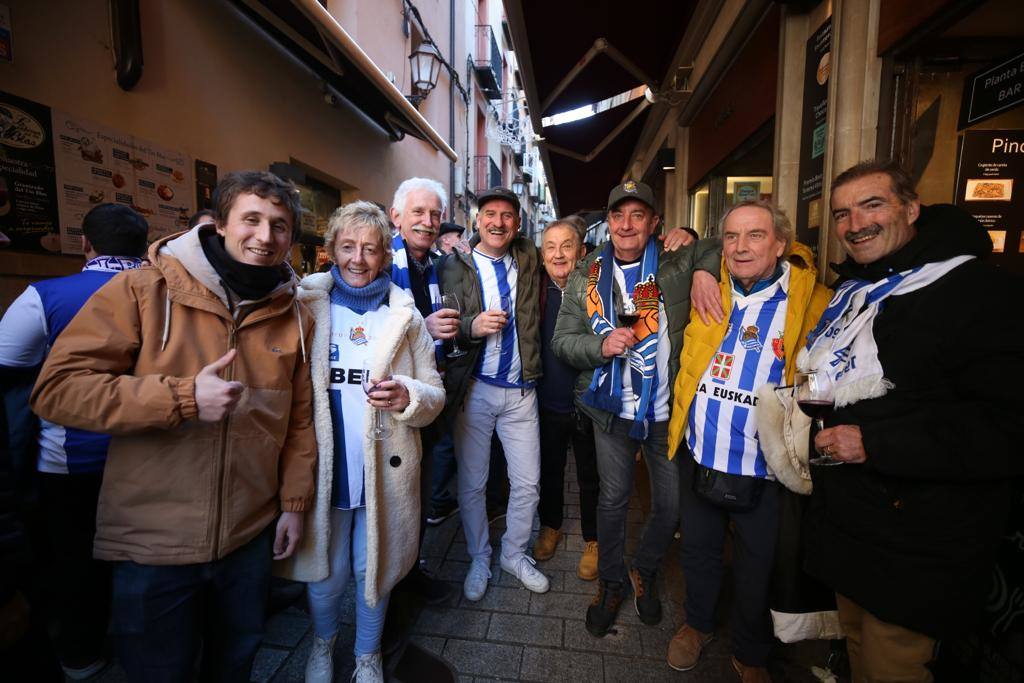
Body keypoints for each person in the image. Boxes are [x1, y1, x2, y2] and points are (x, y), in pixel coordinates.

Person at [30, 170, 316, 682]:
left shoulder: (294, 315)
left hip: (248, 538)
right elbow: (58, 390)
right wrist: (182, 397)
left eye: (279, 225)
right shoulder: (143, 289)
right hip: (153, 544)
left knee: (235, 665)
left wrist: (293, 506)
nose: (265, 236)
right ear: (220, 225)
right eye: (251, 219)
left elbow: (298, 421)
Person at [801, 160, 1024, 682]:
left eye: (872, 204)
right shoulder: (856, 291)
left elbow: (1009, 429)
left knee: (891, 667)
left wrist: (875, 442)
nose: (855, 223)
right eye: (842, 213)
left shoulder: (982, 294)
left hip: (917, 545)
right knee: (855, 648)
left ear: (911, 207)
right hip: (850, 527)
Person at [277, 201, 444, 683]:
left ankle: (367, 654)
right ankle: (323, 646)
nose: (358, 258)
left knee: (375, 569)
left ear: (384, 256)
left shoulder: (406, 318)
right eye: (347, 246)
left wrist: (408, 394)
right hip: (323, 468)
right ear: (329, 251)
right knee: (325, 572)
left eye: (370, 249)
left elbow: (434, 395)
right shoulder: (304, 306)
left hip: (385, 470)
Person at [664, 201, 831, 679]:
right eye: (731, 237)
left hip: (765, 466)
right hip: (701, 451)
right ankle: (697, 625)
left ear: (781, 244)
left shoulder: (815, 302)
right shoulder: (709, 286)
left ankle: (751, 650)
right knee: (698, 551)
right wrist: (697, 259)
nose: (740, 247)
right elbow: (660, 273)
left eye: (755, 236)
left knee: (760, 566)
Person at [552, 180, 720, 637]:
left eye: (638, 215)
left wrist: (700, 258)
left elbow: (723, 245)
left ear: (654, 223)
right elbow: (562, 341)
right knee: (613, 500)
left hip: (665, 411)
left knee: (670, 505)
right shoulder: (587, 272)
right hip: (610, 410)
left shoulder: (675, 262)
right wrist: (601, 345)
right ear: (608, 224)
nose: (627, 225)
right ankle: (610, 581)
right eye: (618, 216)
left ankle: (643, 569)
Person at [0, 202, 148, 679]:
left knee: (75, 562)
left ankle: (82, 654)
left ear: (85, 243)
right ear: (144, 245)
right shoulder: (168, 293)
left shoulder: (45, 295)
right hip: (155, 457)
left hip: (70, 462)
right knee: (147, 561)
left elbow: (5, 366)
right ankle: (151, 649)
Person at [441, 186, 550, 600]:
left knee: (528, 484)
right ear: (477, 219)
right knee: (472, 483)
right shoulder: (453, 265)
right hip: (476, 391)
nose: (498, 222)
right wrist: (472, 326)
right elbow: (442, 320)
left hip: (522, 392)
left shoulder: (527, 256)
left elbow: (568, 249)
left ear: (517, 224)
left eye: (507, 215)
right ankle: (479, 556)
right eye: (490, 213)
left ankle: (514, 553)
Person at [386, 177, 457, 604]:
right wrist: (423, 331)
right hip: (390, 403)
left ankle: (410, 570)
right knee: (395, 493)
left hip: (427, 397)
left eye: (434, 214)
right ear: (396, 216)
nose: (428, 222)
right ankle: (390, 583)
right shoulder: (379, 262)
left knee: (418, 489)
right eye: (418, 212)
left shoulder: (434, 266)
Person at [533, 217, 601, 580]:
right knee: (550, 469)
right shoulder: (536, 290)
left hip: (588, 401)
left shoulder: (596, 290)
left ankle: (593, 538)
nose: (558, 254)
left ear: (582, 252)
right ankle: (551, 525)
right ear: (542, 255)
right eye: (550, 247)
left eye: (567, 246)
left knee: (591, 475)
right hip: (548, 400)